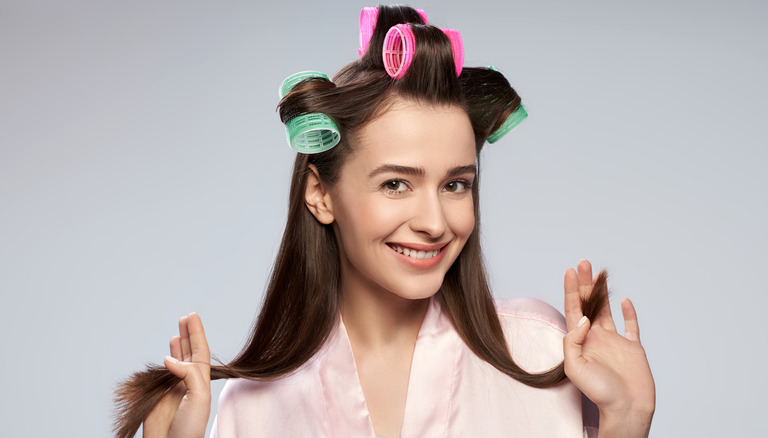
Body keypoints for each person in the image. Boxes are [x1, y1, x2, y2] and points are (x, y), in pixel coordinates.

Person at [114, 5, 655, 438]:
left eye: (455, 184)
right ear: (321, 194)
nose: (435, 221)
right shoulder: (255, 409)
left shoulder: (541, 352)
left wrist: (627, 423)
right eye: (396, 183)